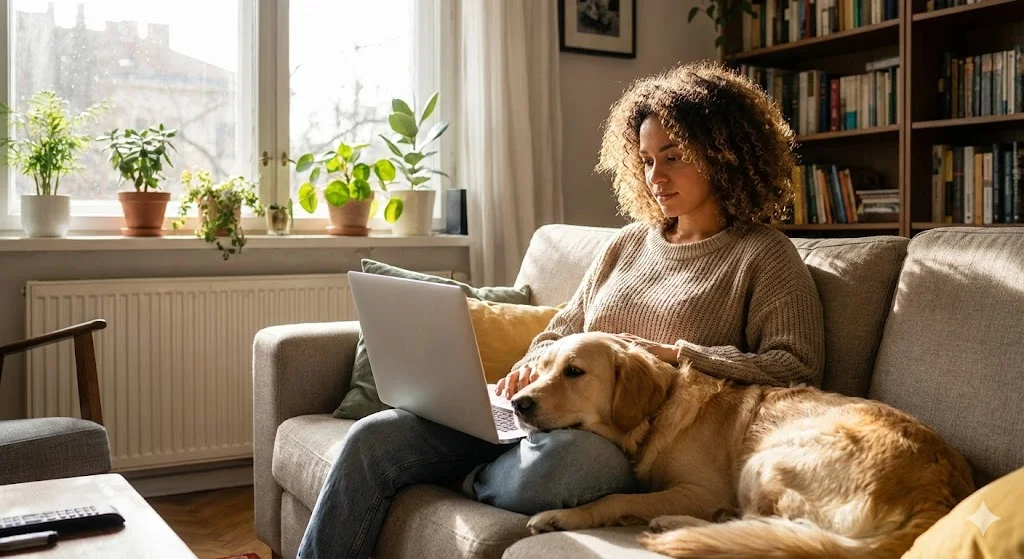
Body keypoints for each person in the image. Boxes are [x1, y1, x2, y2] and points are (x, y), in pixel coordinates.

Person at [297, 61, 825, 558]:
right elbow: (559, 332)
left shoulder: (763, 255)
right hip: (537, 411)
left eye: (674, 156)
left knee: (558, 473)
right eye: (645, 160)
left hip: (625, 441)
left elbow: (795, 367)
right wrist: (535, 365)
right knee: (374, 436)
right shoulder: (627, 244)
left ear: (725, 152)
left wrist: (676, 353)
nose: (655, 176)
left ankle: (467, 477)